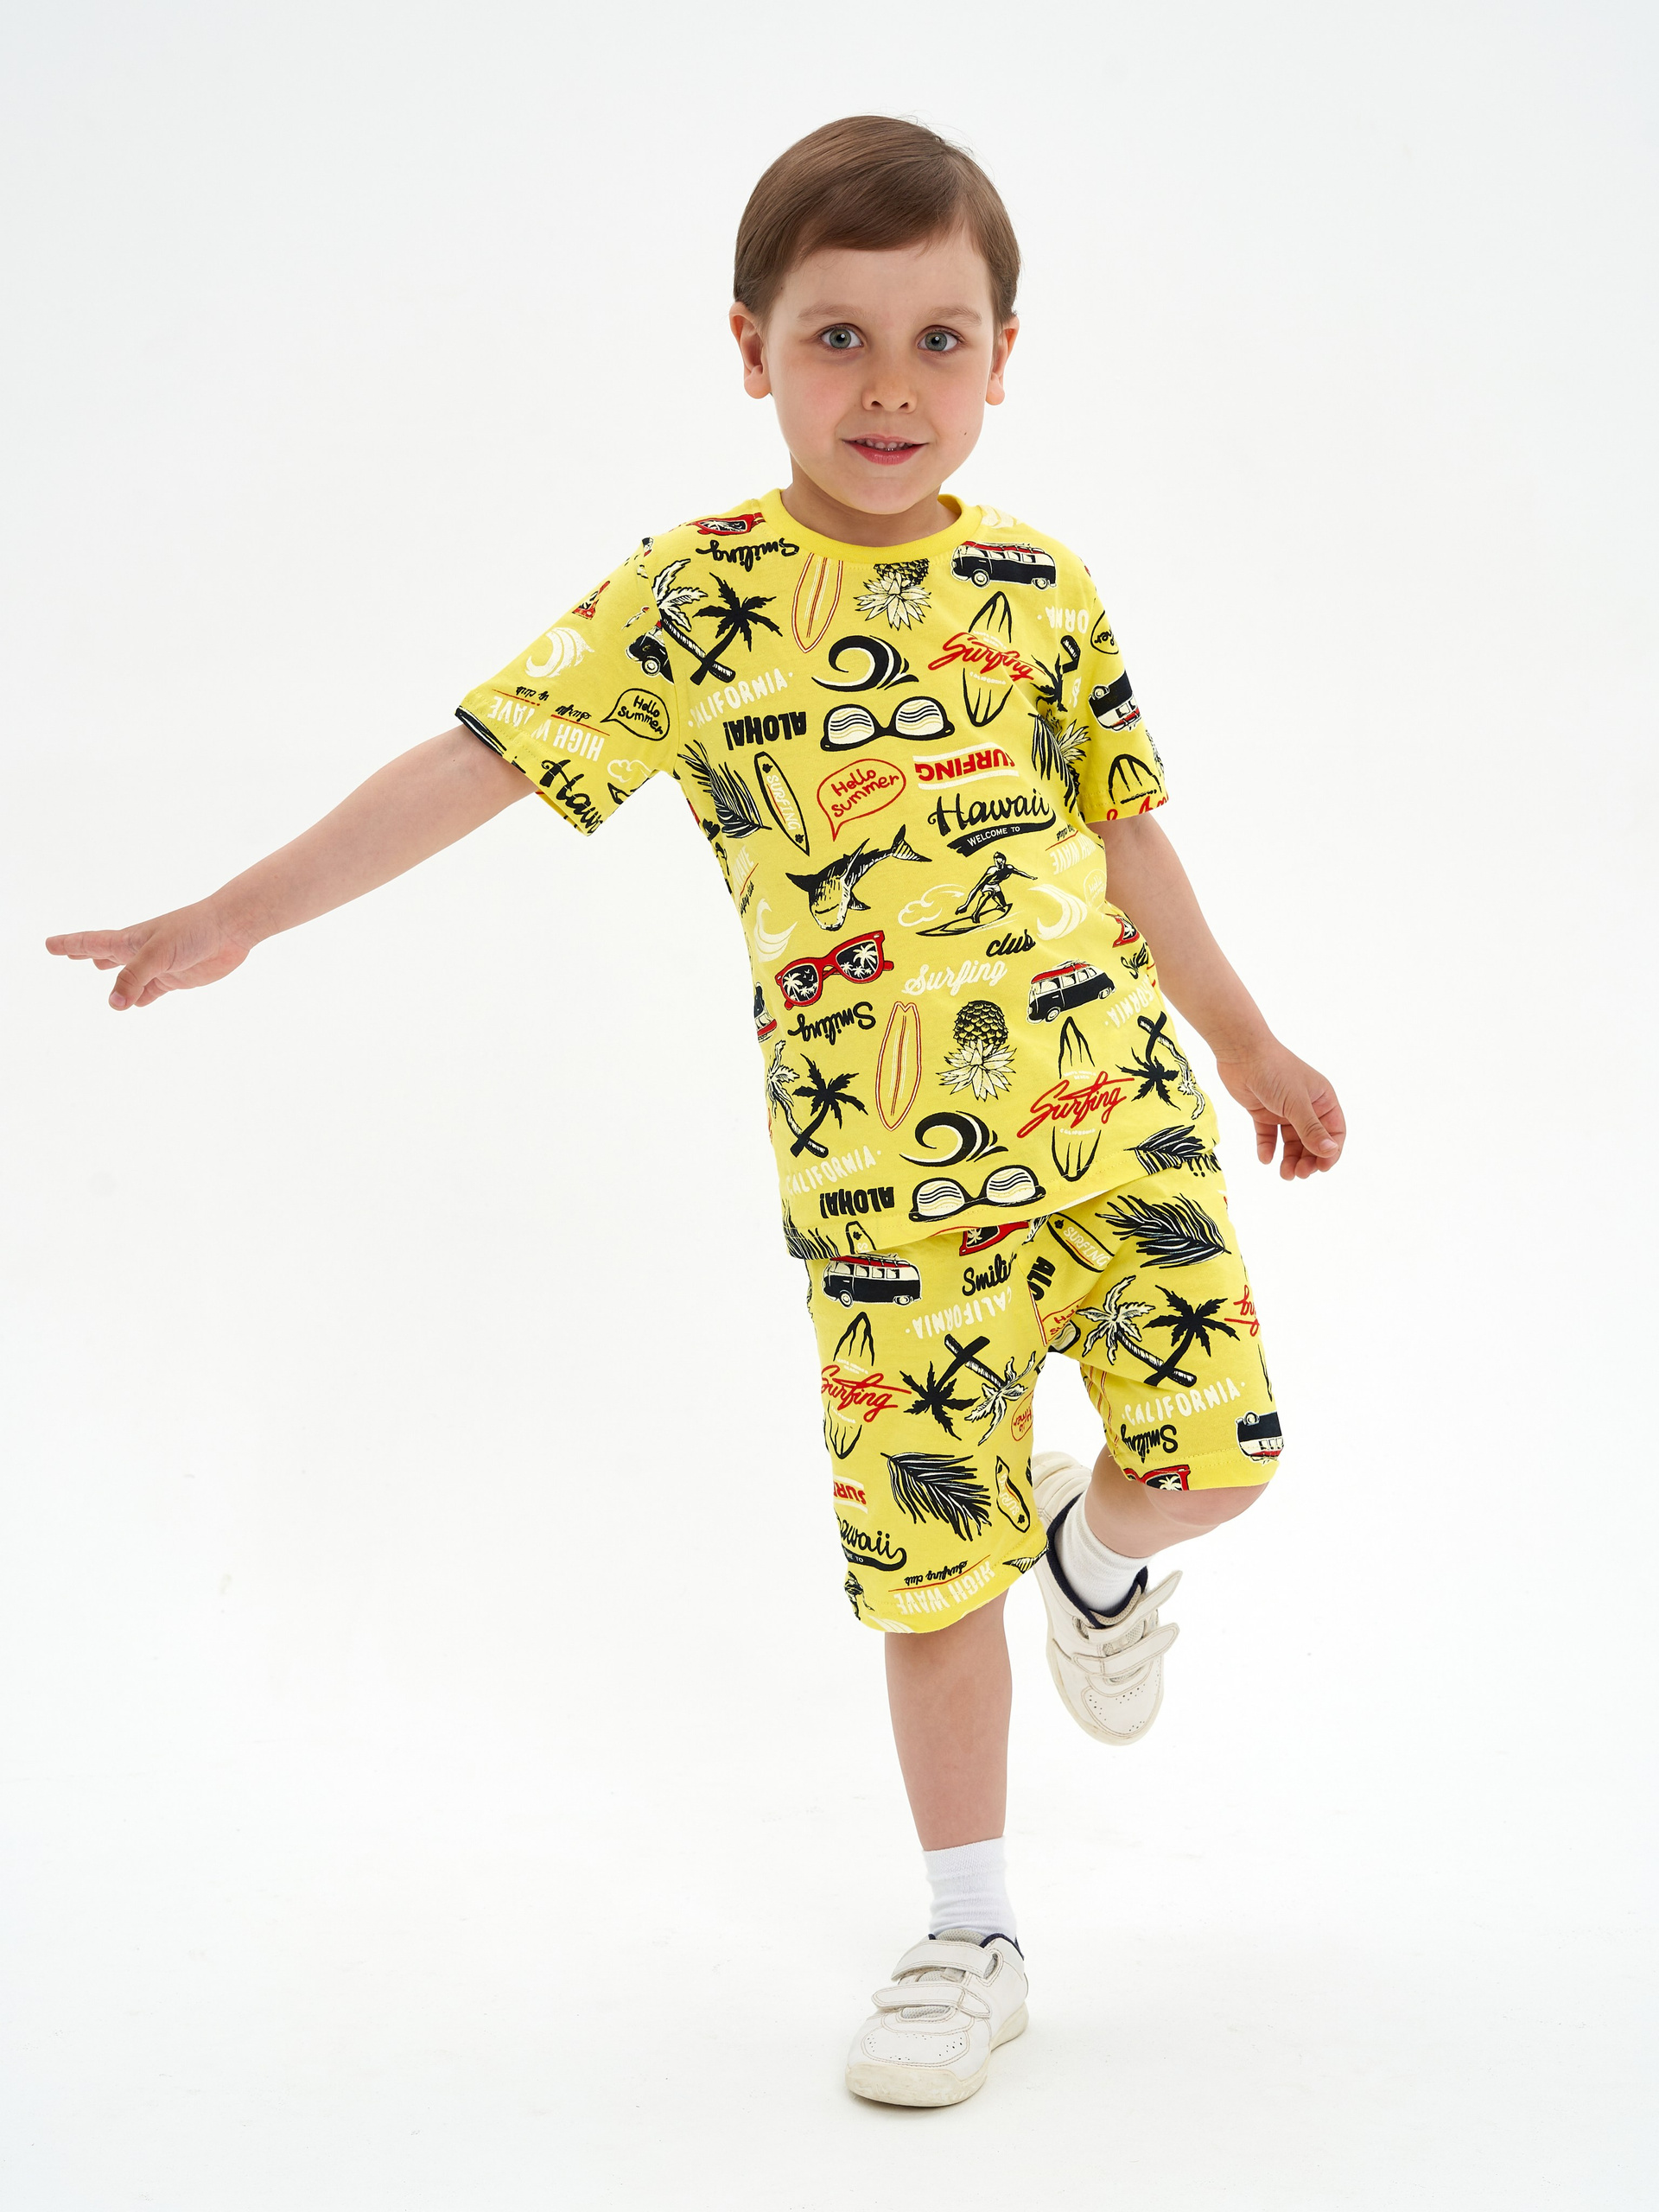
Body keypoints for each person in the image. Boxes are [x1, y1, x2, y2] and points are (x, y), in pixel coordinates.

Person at [46, 114, 1344, 2109]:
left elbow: (1126, 829)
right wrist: (237, 911)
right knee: (933, 1570)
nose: (890, 386)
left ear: (1005, 356)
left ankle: (1098, 1555)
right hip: (886, 1193)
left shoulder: (1043, 584)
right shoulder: (696, 595)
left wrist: (1245, 1041)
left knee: (1223, 1461)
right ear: (751, 349)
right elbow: (476, 760)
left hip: (1123, 1125)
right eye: (838, 337)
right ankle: (971, 1929)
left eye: (939, 339)